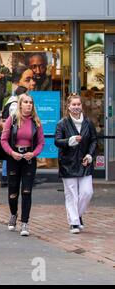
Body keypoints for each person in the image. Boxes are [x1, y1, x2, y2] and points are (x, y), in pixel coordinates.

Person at [0, 93, 45, 237]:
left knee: (27, 192)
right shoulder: (12, 119)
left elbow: (41, 143)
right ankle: (13, 214)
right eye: (25, 102)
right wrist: (12, 153)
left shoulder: (36, 121)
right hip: (14, 158)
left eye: (30, 102)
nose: (28, 104)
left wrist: (34, 153)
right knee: (13, 192)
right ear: (20, 104)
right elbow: (3, 140)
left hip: (29, 159)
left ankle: (25, 223)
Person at [54, 94, 97, 234]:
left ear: (81, 106)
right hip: (68, 162)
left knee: (87, 192)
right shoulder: (62, 123)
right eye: (73, 105)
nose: (76, 107)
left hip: (85, 162)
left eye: (78, 104)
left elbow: (94, 140)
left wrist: (90, 155)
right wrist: (70, 141)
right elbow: (57, 141)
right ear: (68, 106)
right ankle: (74, 222)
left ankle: (77, 215)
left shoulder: (88, 123)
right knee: (71, 193)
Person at [0, 86, 28, 187]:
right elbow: (14, 118)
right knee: (9, 154)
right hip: (12, 133)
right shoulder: (14, 104)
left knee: (8, 154)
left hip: (9, 132)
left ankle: (5, 177)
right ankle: (5, 177)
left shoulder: (10, 101)